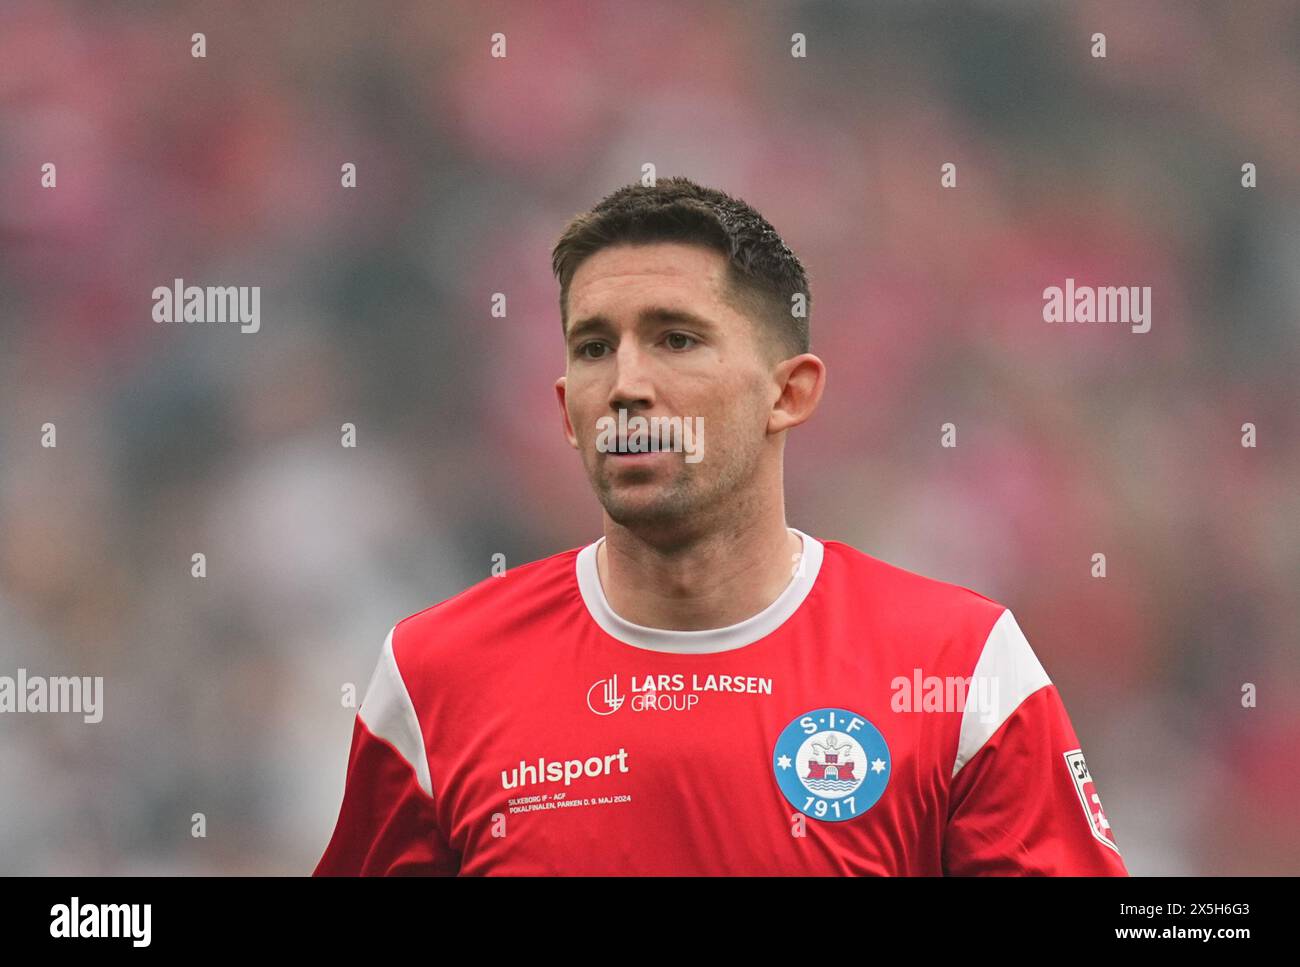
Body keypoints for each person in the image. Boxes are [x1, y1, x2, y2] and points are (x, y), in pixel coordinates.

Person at [313, 177, 1128, 875]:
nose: (627, 384)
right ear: (566, 410)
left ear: (789, 393)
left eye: (675, 338)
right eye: (594, 348)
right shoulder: (433, 678)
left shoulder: (963, 665)